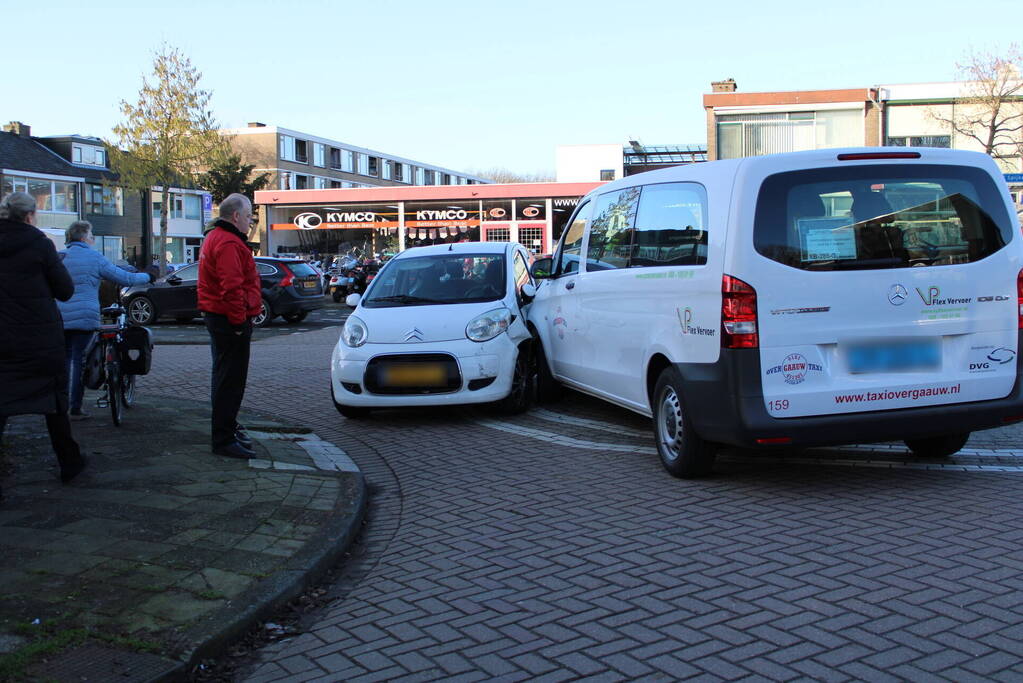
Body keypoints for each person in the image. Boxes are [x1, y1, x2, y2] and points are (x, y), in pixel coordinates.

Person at [0, 192, 87, 488]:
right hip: (39, 340)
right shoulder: (39, 244)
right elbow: (65, 290)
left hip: (3, 341)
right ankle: (69, 463)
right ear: (29, 216)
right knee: (53, 404)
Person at [58, 221, 152, 418]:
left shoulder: (60, 257)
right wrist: (148, 276)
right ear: (84, 237)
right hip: (85, 317)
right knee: (79, 359)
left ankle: (61, 405)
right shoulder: (94, 257)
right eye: (91, 235)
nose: (92, 239)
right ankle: (75, 407)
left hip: (60, 317)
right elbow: (125, 278)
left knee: (66, 360)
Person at [197, 193, 261, 458]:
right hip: (229, 319)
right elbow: (232, 287)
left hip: (220, 316)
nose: (250, 222)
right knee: (230, 381)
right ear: (236, 216)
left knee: (224, 378)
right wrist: (238, 322)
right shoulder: (229, 243)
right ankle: (223, 439)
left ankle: (227, 430)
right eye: (248, 217)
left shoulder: (216, 238)